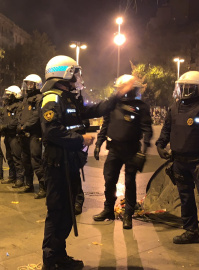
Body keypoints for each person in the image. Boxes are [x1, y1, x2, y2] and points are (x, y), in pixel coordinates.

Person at [40, 55, 134, 270]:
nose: (79, 77)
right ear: (64, 73)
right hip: (57, 167)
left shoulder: (69, 98)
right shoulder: (51, 98)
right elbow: (52, 131)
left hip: (69, 165)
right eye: (76, 72)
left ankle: (59, 255)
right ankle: (50, 261)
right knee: (57, 213)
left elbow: (96, 109)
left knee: (67, 214)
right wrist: (80, 139)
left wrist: (118, 95)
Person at [155, 71, 199, 258]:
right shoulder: (175, 107)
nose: (185, 90)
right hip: (179, 162)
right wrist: (160, 145)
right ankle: (191, 231)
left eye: (189, 87)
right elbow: (166, 130)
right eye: (183, 87)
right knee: (185, 199)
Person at [93, 75, 153, 229]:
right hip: (114, 149)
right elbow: (105, 125)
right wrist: (99, 143)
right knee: (109, 180)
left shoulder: (141, 106)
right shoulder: (113, 105)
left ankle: (128, 215)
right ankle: (108, 210)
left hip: (132, 150)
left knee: (129, 182)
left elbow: (147, 129)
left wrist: (143, 151)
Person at [18, 74, 46, 198]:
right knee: (25, 160)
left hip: (34, 134)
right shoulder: (25, 99)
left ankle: (43, 187)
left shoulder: (39, 98)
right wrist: (20, 125)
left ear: (37, 85)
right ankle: (29, 184)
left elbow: (36, 116)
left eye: (30, 84)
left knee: (36, 161)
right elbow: (21, 114)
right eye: (27, 83)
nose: (28, 86)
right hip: (24, 134)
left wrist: (25, 126)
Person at [0, 85, 24, 186]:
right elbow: (2, 118)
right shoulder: (6, 107)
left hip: (15, 136)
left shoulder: (19, 106)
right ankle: (12, 176)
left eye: (9, 95)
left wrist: (5, 126)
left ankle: (20, 179)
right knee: (9, 157)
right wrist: (1, 127)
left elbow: (17, 120)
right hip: (7, 135)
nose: (6, 97)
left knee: (16, 157)